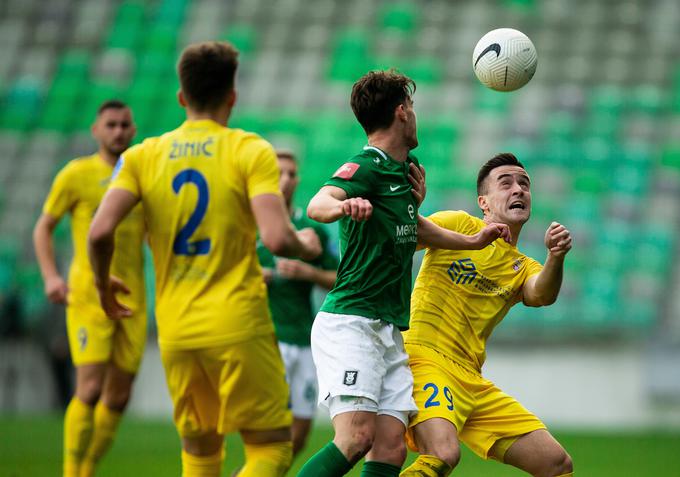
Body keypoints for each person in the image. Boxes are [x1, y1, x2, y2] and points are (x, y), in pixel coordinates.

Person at [87, 41, 321, 477]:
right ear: (232, 96)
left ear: (181, 97)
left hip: (176, 329)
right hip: (239, 323)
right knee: (271, 451)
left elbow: (99, 232)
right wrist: (306, 246)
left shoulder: (140, 156)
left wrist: (102, 288)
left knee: (200, 454)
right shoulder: (249, 150)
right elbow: (276, 236)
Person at [298, 70, 511, 477]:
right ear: (401, 112)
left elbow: (414, 227)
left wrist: (473, 241)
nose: (415, 115)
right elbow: (318, 203)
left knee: (391, 449)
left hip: (387, 329)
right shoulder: (367, 166)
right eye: (411, 106)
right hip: (351, 322)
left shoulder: (405, 170)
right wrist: (343, 207)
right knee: (356, 437)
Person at [400, 153, 574, 477]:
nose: (518, 190)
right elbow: (405, 238)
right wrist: (413, 209)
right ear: (484, 201)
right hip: (426, 359)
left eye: (524, 183)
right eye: (505, 183)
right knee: (442, 454)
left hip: (472, 379)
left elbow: (542, 294)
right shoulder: (458, 225)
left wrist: (556, 256)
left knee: (556, 464)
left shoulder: (523, 266)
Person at [33, 100, 146, 477]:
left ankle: (87, 468)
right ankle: (72, 472)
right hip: (87, 294)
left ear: (133, 130)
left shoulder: (143, 173)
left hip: (132, 295)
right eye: (110, 124)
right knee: (91, 387)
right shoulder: (76, 174)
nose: (118, 131)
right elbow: (43, 227)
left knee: (119, 395)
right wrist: (51, 276)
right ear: (96, 130)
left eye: (124, 125)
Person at [256, 149, 338, 459]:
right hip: (267, 339)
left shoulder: (311, 229)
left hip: (304, 339)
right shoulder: (250, 226)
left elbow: (341, 278)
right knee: (268, 438)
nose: (286, 180)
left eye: (291, 174)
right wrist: (252, 276)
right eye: (279, 173)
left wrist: (310, 272)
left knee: (298, 438)